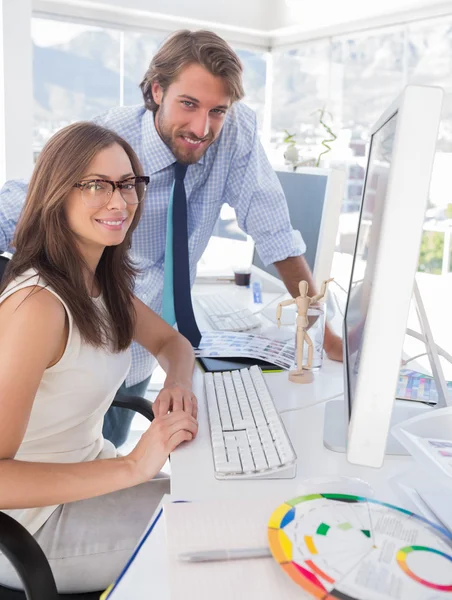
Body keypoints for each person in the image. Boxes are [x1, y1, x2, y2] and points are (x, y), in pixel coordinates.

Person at [0, 29, 343, 448]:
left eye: (218, 110)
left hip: (137, 341)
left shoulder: (232, 131)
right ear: (157, 90)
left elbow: (273, 231)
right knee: (54, 454)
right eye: (189, 104)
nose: (203, 127)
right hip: (74, 344)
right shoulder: (110, 143)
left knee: (102, 447)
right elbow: (24, 204)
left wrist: (323, 335)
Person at [0, 122, 198, 593]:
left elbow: (175, 344)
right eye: (95, 185)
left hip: (92, 481)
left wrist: (177, 384)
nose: (119, 201)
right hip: (32, 525)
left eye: (127, 183)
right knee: (214, 531)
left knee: (214, 501)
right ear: (56, 193)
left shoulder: (101, 283)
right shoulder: (38, 308)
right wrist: (133, 466)